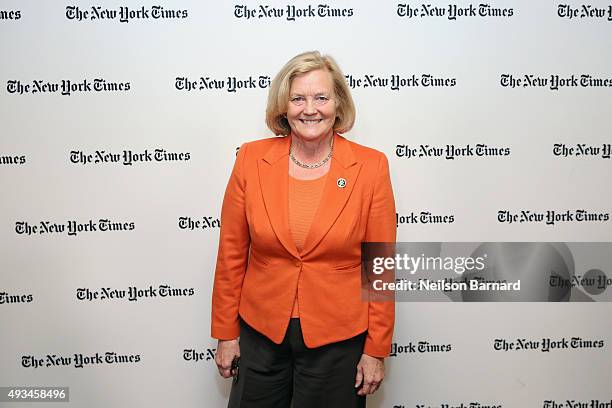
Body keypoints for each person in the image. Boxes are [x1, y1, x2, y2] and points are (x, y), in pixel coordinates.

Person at [211, 50, 396, 407]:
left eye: (321, 97)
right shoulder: (251, 159)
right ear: (284, 106)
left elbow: (380, 269)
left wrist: (376, 349)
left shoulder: (371, 167)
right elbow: (231, 252)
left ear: (338, 104)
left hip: (339, 340)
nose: (309, 109)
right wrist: (225, 333)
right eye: (298, 98)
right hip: (260, 335)